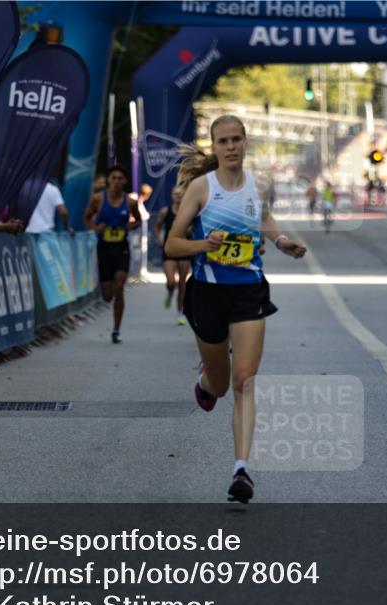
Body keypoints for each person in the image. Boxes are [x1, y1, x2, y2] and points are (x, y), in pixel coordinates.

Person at [164, 114, 307, 504]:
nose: (230, 147)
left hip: (248, 291)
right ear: (214, 147)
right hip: (208, 293)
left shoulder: (258, 185)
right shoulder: (199, 188)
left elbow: (262, 218)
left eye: (236, 140)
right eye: (223, 141)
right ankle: (206, 382)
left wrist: (279, 242)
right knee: (222, 384)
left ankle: (240, 470)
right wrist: (202, 247)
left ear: (246, 143)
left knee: (245, 380)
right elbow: (172, 245)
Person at [84, 165, 142, 343]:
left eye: (120, 178)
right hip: (104, 248)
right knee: (107, 295)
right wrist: (95, 228)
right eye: (113, 178)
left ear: (124, 181)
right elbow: (87, 217)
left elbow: (138, 220)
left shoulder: (130, 202)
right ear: (109, 180)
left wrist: (128, 227)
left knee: (119, 286)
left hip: (121, 248)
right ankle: (111, 302)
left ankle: (116, 329)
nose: (116, 182)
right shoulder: (98, 199)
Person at [152, 182, 192, 325]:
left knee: (182, 284)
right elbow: (156, 227)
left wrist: (189, 231)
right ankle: (169, 292)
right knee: (171, 282)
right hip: (169, 249)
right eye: (176, 194)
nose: (178, 196)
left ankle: (180, 313)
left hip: (184, 249)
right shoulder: (165, 211)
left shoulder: (189, 211)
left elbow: (195, 228)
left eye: (181, 194)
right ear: (172, 196)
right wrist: (159, 239)